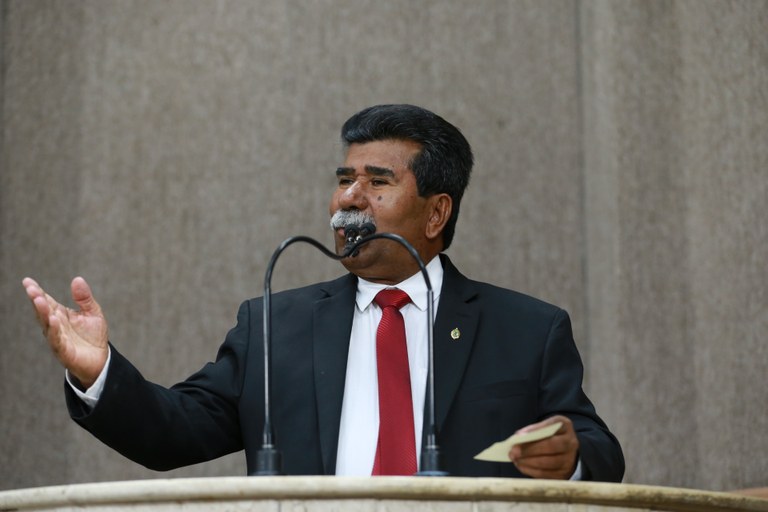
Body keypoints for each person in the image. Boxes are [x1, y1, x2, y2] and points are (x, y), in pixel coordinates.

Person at [23, 104, 624, 481]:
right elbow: (173, 433)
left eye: (377, 182)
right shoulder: (273, 328)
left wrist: (570, 460)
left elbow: (596, 446)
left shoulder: (524, 328)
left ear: (437, 212)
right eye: (344, 180)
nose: (348, 198)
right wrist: (98, 371)